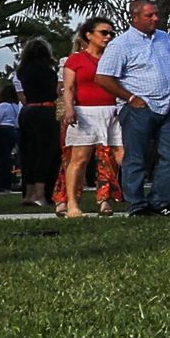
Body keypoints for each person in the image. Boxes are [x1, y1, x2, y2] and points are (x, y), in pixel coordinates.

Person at [98, 0, 170, 218]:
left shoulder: (164, 38)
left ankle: (161, 201)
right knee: (136, 156)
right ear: (135, 17)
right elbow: (103, 77)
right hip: (139, 107)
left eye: (156, 14)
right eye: (149, 15)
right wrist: (130, 98)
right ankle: (137, 203)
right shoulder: (121, 44)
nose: (155, 18)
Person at [57, 15, 121, 216]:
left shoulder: (114, 58)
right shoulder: (75, 59)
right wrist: (69, 109)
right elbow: (68, 88)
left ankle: (105, 199)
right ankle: (72, 203)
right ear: (89, 35)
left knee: (111, 158)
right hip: (85, 112)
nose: (108, 37)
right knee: (79, 158)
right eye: (104, 32)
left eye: (111, 33)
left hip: (111, 111)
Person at [11, 42, 61, 213]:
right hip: (46, 110)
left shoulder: (22, 71)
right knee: (45, 153)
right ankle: (41, 193)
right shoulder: (48, 71)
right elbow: (55, 92)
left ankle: (29, 193)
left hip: (27, 111)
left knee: (28, 153)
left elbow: (22, 96)